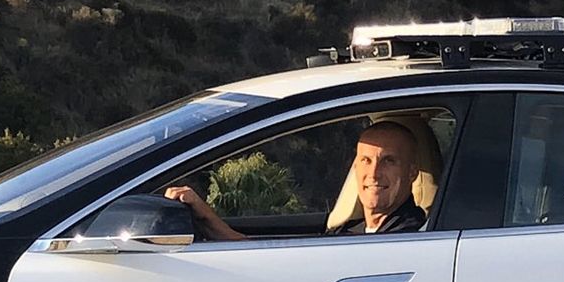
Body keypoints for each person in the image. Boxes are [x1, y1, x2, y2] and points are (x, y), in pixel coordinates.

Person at [166, 121, 428, 241]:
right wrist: (205, 218)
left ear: (412, 173)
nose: (374, 174)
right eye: (366, 161)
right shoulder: (354, 231)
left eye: (389, 161)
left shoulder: (406, 238)